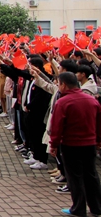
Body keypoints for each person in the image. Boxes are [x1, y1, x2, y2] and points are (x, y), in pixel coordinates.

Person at [48, 71, 101, 217]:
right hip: (89, 144)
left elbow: (57, 127)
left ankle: (78, 208)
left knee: (75, 177)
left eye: (58, 84)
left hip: (71, 145)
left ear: (64, 85)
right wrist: (98, 141)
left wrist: (53, 144)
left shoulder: (63, 102)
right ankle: (97, 207)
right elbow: (98, 123)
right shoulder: (92, 100)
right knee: (92, 175)